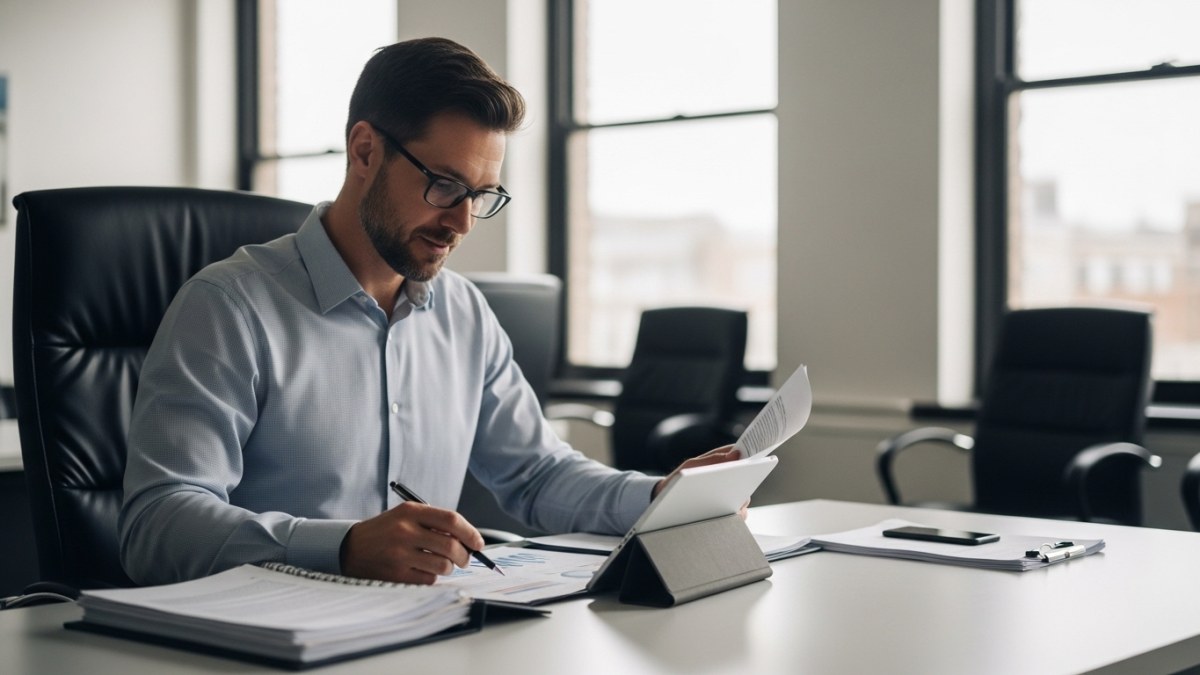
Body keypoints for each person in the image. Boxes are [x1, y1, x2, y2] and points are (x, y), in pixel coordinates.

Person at [119, 37, 739, 587]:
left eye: (482, 195)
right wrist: (340, 546)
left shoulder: (464, 312)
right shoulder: (230, 306)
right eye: (445, 185)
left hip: (422, 635)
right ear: (365, 151)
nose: (463, 222)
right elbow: (157, 524)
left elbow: (537, 475)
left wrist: (661, 497)